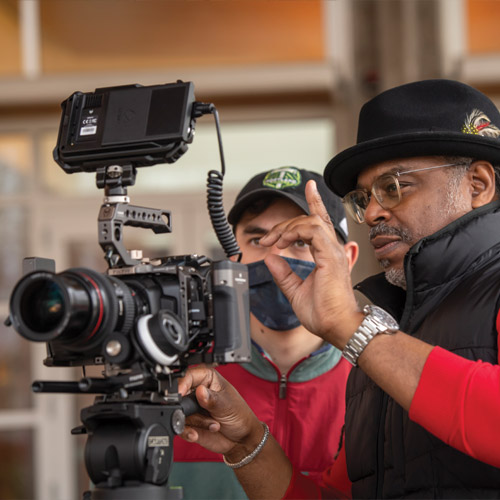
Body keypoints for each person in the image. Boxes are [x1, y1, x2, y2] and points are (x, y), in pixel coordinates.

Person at [177, 79, 500, 499]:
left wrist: (351, 329)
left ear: (477, 184)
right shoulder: (386, 346)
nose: (371, 212)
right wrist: (246, 444)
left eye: (394, 186)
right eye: (363, 196)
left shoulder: (369, 343)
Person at [169, 166, 358, 499]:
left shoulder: (378, 383)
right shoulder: (185, 381)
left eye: (301, 240)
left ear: (346, 258)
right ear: (232, 258)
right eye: (257, 240)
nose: (276, 259)